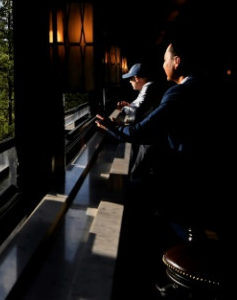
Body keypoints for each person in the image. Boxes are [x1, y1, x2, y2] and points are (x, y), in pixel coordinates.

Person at [96, 36, 229, 295]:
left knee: (154, 205)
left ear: (177, 62)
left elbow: (143, 131)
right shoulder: (208, 87)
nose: (164, 64)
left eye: (166, 59)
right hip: (211, 178)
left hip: (192, 179)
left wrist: (111, 127)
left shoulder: (180, 93)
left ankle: (182, 272)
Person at [113, 62, 171, 181]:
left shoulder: (149, 87)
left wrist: (120, 111)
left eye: (131, 79)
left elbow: (135, 112)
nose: (130, 82)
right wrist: (126, 108)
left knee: (137, 176)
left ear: (137, 78)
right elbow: (135, 108)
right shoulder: (148, 88)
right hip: (149, 138)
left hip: (151, 140)